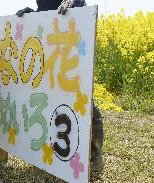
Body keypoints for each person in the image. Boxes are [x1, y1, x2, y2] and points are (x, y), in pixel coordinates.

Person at [16, 0, 104, 172]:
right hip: (52, 48)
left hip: (74, 44)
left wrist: (76, 2)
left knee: (85, 102)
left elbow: (85, 18)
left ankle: (95, 155)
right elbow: (47, 13)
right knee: (53, 99)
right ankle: (55, 152)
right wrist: (32, 14)